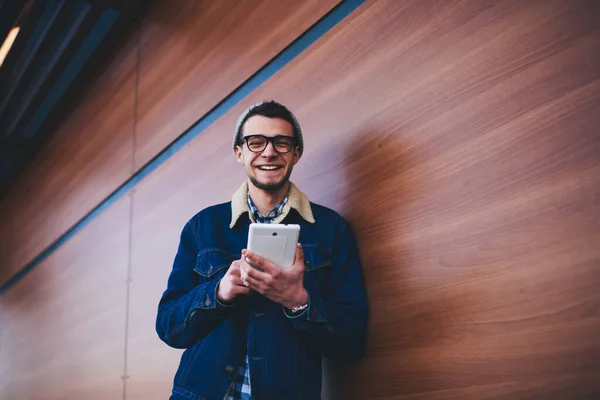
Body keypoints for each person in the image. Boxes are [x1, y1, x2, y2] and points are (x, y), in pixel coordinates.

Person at [156, 100, 368, 400]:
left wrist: (299, 301)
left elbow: (352, 341)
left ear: (296, 153)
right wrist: (217, 293)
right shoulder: (202, 226)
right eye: (256, 142)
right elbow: (168, 327)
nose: (269, 152)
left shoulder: (331, 230)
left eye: (282, 143)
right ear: (239, 153)